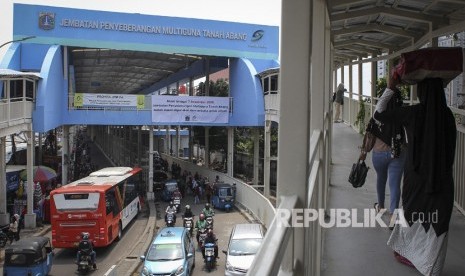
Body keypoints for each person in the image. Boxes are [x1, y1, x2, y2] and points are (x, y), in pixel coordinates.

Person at [374, 73, 456, 276]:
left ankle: (410, 255)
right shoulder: (447, 115)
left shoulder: (413, 113)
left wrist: (391, 87)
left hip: (416, 177)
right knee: (437, 223)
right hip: (441, 179)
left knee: (412, 216)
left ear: (422, 92)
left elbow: (379, 114)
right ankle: (431, 266)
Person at [369, 86, 407, 224]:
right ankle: (393, 216)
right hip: (398, 153)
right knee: (395, 184)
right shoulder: (403, 113)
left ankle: (380, 206)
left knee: (381, 179)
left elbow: (370, 131)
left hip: (378, 153)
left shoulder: (378, 114)